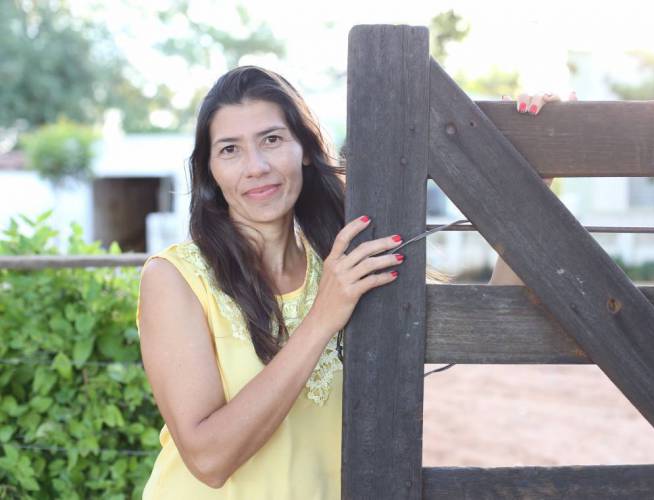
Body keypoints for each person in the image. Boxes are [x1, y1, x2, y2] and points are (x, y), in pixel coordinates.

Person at [136, 65, 569, 498]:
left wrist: (533, 185)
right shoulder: (175, 279)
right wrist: (323, 318)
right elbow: (208, 460)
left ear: (304, 148)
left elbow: (487, 327)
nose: (256, 166)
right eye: (230, 149)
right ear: (210, 168)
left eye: (272, 139)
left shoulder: (345, 259)